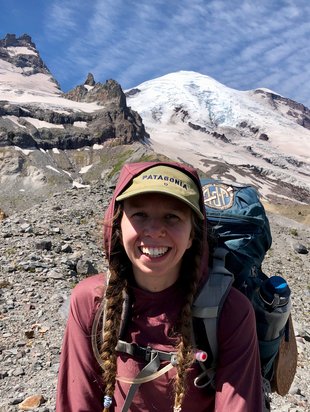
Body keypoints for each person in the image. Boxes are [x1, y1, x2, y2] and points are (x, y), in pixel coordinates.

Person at [56, 161, 263, 412]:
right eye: (140, 214)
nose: (154, 231)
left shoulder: (230, 311)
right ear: (119, 226)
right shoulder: (91, 300)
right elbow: (79, 402)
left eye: (172, 217)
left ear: (191, 236)